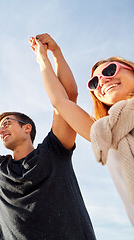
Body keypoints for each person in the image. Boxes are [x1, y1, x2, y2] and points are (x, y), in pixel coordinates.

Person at [0, 34, 96, 239]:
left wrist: (53, 55)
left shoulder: (54, 150)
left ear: (27, 128)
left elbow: (68, 97)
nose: (2, 130)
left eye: (7, 123)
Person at [30, 34, 134, 226]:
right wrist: (47, 56)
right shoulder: (104, 133)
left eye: (110, 70)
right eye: (94, 83)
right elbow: (61, 101)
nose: (102, 81)